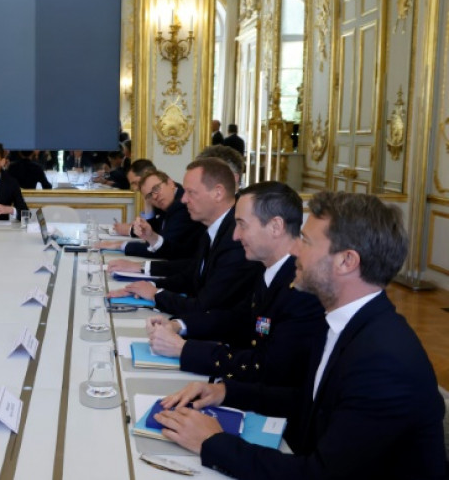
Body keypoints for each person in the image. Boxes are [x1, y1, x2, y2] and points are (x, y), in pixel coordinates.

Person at [153, 191, 446, 479]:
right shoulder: (346, 322)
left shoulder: (384, 360)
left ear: (346, 261)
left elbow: (319, 475)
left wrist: (212, 442)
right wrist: (226, 392)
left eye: (306, 241)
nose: (294, 250)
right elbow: (311, 403)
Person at [146, 181, 324, 386]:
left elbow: (267, 368)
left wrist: (184, 349)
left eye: (242, 224)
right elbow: (238, 318)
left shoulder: (302, 287)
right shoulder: (269, 269)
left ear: (275, 227)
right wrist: (179, 325)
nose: (235, 235)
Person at [108, 158, 262, 315]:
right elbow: (192, 276)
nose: (183, 199)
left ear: (218, 193)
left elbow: (204, 306)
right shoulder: (214, 227)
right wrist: (149, 286)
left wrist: (156, 294)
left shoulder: (236, 239)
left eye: (191, 192)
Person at [98, 170, 204, 260]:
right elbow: (155, 230)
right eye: (150, 195)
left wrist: (121, 245)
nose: (155, 197)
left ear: (170, 183)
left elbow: (163, 249)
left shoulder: (182, 205)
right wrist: (148, 203)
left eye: (156, 189)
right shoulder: (170, 201)